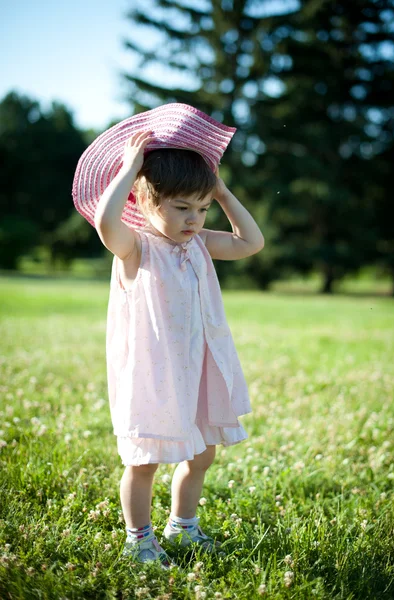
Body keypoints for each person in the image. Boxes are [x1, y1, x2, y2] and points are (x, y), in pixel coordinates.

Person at [72, 104, 264, 569]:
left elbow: (250, 242)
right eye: (181, 208)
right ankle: (139, 540)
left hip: (196, 367)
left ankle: (184, 525)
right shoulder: (135, 248)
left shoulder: (199, 241)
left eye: (200, 209)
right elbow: (105, 222)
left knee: (203, 454)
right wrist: (131, 169)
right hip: (152, 373)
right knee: (144, 462)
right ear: (145, 201)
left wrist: (220, 192)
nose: (194, 219)